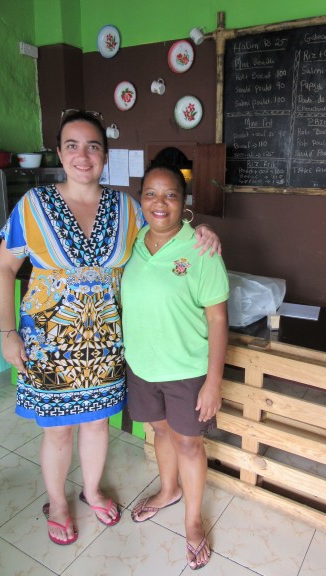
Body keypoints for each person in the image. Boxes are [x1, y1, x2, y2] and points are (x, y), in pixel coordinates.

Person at [0, 110, 220, 546]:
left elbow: (166, 229)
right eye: (73, 145)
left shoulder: (127, 209)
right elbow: (4, 270)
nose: (83, 155)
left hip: (106, 343)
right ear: (59, 152)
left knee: (97, 424)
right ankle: (58, 503)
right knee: (57, 430)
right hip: (48, 343)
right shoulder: (33, 206)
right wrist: (7, 332)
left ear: (105, 156)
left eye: (93, 146)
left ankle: (92, 490)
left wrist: (201, 231)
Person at [121, 165, 229, 570]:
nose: (159, 203)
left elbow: (218, 319)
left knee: (189, 442)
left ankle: (193, 520)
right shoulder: (131, 241)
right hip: (142, 365)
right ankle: (168, 490)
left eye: (170, 194)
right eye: (150, 194)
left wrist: (213, 382)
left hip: (186, 370)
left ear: (184, 203)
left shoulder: (201, 249)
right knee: (160, 431)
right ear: (141, 200)